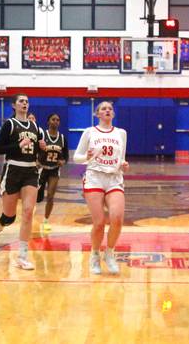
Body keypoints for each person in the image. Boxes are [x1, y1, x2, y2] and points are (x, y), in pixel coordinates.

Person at [0, 94, 46, 270]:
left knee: (28, 212)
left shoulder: (35, 126)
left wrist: (41, 148)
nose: (25, 103)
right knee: (9, 216)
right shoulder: (9, 124)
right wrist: (18, 145)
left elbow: (37, 153)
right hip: (12, 169)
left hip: (30, 171)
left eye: (27, 101)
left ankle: (22, 256)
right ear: (14, 105)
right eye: (21, 101)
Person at [73, 101, 129, 275]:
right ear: (97, 114)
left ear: (113, 114)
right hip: (94, 177)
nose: (107, 110)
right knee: (99, 223)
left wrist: (123, 164)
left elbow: (121, 158)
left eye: (110, 109)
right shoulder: (90, 132)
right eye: (103, 108)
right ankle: (95, 254)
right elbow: (76, 157)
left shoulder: (121, 133)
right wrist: (86, 157)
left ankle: (109, 253)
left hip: (114, 178)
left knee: (117, 218)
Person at [37, 113, 69, 233]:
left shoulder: (62, 138)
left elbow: (66, 155)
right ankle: (28, 217)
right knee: (35, 197)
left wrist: (63, 161)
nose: (56, 121)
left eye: (58, 120)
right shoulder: (42, 135)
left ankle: (45, 221)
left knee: (50, 196)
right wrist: (36, 160)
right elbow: (34, 149)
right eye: (53, 119)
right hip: (41, 169)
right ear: (48, 121)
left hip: (54, 169)